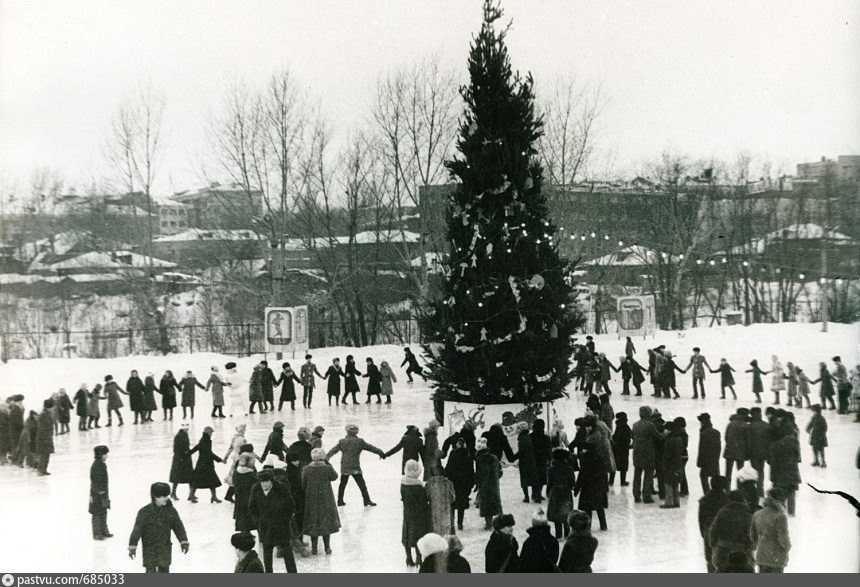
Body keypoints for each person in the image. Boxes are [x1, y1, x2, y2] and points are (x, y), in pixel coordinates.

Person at [128, 482, 189, 573]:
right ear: (155, 497)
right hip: (149, 548)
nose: (166, 498)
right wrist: (133, 546)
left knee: (164, 570)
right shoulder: (145, 512)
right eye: (163, 496)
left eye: (167, 495)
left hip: (164, 547)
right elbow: (137, 530)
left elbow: (178, 526)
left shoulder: (170, 511)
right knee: (150, 572)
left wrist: (183, 541)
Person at [248, 469, 298, 573]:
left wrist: (284, 520)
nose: (264, 484)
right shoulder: (256, 489)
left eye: (266, 482)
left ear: (271, 481)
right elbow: (252, 507)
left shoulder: (281, 488)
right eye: (262, 482)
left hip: (281, 525)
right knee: (267, 551)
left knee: (287, 550)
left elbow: (291, 506)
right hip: (265, 526)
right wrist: (258, 521)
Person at [326, 424, 385, 506]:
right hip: (355, 466)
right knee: (361, 484)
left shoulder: (342, 441)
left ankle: (340, 501)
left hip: (345, 466)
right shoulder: (359, 441)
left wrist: (326, 458)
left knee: (342, 484)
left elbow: (333, 451)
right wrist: (381, 452)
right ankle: (366, 500)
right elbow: (371, 448)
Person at [301, 447, 340, 555]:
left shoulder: (306, 469)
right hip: (326, 498)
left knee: (313, 522)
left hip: (311, 498)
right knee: (325, 522)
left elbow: (303, 484)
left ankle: (314, 548)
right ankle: (327, 547)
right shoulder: (327, 468)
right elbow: (335, 477)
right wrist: (328, 463)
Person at [708, 490, 754, 573]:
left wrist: (713, 543)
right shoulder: (747, 514)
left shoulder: (723, 512)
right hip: (741, 550)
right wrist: (750, 547)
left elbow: (714, 530)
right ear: (743, 500)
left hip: (723, 549)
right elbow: (750, 533)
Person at [751, 488, 791, 573]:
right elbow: (783, 538)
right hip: (776, 557)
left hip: (761, 555)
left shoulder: (757, 514)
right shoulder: (780, 516)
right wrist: (787, 547)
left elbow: (752, 536)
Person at [400, 459, 430, 566]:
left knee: (407, 535)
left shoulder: (403, 483)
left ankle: (408, 558)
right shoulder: (418, 486)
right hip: (419, 515)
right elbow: (424, 501)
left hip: (407, 514)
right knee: (418, 536)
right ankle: (418, 557)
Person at [768, 419, 801, 516]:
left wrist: (773, 478)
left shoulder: (775, 445)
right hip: (793, 473)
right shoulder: (794, 442)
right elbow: (798, 457)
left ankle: (781, 514)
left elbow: (773, 463)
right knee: (791, 493)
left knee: (781, 495)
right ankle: (792, 513)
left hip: (780, 474)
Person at [698, 476, 730, 572]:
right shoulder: (726, 500)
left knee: (709, 558)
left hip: (708, 530)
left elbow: (701, 519)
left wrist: (703, 533)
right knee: (723, 559)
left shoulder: (704, 500)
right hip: (723, 533)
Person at [445, 435, 475, 531]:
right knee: (461, 505)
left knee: (452, 504)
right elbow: (471, 471)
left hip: (454, 483)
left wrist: (447, 478)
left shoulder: (453, 453)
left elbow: (448, 468)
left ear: (457, 445)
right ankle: (460, 523)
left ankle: (452, 523)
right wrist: (470, 483)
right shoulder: (468, 455)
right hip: (464, 484)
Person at [632, 406, 660, 503]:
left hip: (637, 452)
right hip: (648, 452)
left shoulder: (635, 425)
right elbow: (658, 436)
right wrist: (666, 433)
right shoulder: (650, 425)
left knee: (637, 474)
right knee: (648, 474)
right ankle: (646, 495)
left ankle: (636, 495)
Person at [188, 427, 223, 503]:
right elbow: (209, 453)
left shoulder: (203, 440)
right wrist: (219, 459)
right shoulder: (206, 441)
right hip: (205, 465)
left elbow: (197, 448)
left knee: (201, 481)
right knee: (211, 481)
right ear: (208, 433)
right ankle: (213, 497)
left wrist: (189, 453)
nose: (211, 434)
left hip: (202, 464)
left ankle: (213, 497)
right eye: (211, 433)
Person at [475, 437, 503, 529]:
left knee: (487, 504)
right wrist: (495, 478)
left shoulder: (481, 459)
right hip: (494, 484)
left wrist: (479, 482)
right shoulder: (494, 457)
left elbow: (482, 473)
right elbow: (500, 472)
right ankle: (500, 521)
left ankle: (489, 524)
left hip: (485, 485)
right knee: (495, 502)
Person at [88, 445, 112, 540]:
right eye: (106, 454)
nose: (107, 456)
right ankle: (97, 533)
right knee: (97, 513)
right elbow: (94, 480)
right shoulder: (97, 465)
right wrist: (99, 491)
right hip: (97, 494)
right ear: (101, 455)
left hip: (103, 493)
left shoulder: (101, 464)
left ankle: (104, 531)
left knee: (103, 511)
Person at [660, 418, 685, 508]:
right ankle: (676, 502)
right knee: (675, 483)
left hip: (670, 465)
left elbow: (667, 454)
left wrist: (664, 464)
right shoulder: (679, 438)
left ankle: (669, 502)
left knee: (668, 483)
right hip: (678, 464)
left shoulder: (669, 440)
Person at [696, 413, 721, 494]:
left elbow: (701, 449)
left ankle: (707, 494)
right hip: (714, 459)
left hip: (706, 460)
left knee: (703, 477)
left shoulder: (704, 433)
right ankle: (717, 493)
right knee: (715, 478)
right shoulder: (716, 432)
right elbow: (719, 447)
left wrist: (699, 462)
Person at [222, 424, 248, 503]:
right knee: (241, 478)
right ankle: (234, 496)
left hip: (235, 459)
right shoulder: (243, 439)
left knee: (234, 478)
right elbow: (247, 450)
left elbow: (230, 448)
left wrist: (225, 457)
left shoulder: (234, 438)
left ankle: (229, 495)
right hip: (241, 459)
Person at [723, 410, 749, 488]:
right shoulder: (745, 425)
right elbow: (747, 440)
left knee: (728, 472)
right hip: (741, 451)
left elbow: (726, 437)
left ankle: (727, 489)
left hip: (729, 451)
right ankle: (739, 489)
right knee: (740, 472)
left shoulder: (730, 424)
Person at [427, 468, 455, 536]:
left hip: (434, 513)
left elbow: (427, 497)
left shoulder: (429, 484)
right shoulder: (448, 483)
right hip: (446, 512)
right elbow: (453, 498)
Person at [169, 425, 193, 500]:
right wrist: (182, 457)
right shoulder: (180, 436)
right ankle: (190, 494)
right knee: (188, 477)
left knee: (180, 477)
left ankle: (190, 494)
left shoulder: (182, 435)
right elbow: (177, 448)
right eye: (187, 428)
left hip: (182, 459)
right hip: (181, 459)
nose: (188, 430)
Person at [610, 412, 631, 486]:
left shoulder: (618, 426)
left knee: (614, 465)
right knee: (623, 467)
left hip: (616, 449)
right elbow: (630, 436)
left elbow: (615, 437)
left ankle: (611, 481)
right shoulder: (626, 427)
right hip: (624, 450)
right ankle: (623, 481)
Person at [35, 399, 55, 475]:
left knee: (46, 455)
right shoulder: (44, 415)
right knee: (43, 455)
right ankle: (40, 470)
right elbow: (43, 428)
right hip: (44, 438)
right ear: (50, 406)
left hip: (47, 437)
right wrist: (46, 438)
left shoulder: (47, 414)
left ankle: (44, 470)